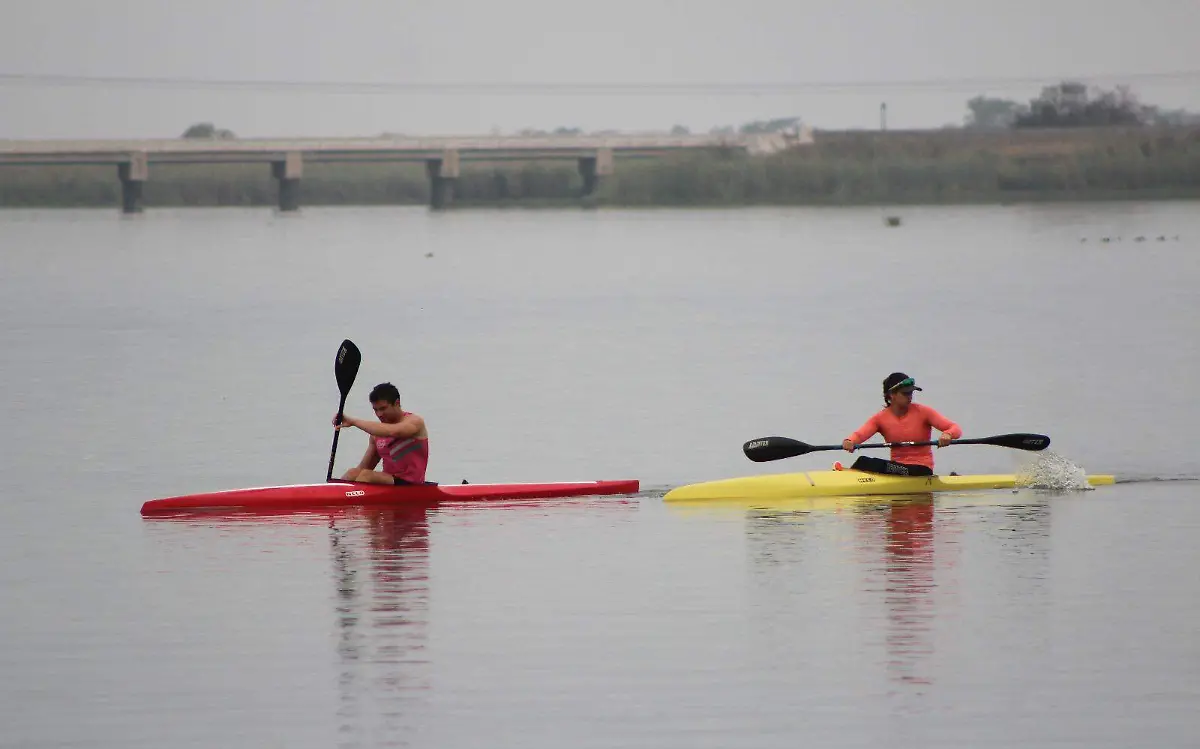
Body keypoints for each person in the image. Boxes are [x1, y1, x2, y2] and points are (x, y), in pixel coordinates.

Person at [841, 372, 962, 476]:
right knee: (863, 461)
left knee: (865, 462)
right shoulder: (880, 418)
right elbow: (860, 434)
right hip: (896, 469)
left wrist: (948, 434)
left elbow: (955, 428)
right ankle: (848, 477)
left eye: (911, 393)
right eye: (905, 393)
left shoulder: (924, 412)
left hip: (921, 470)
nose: (910, 397)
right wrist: (850, 441)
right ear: (891, 395)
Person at [333, 382, 430, 485]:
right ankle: (333, 495)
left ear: (397, 403)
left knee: (367, 476)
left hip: (413, 485)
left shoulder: (414, 422)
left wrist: (353, 422)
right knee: (353, 472)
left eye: (383, 408)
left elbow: (392, 431)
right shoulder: (376, 434)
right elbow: (364, 467)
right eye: (376, 410)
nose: (379, 414)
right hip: (390, 483)